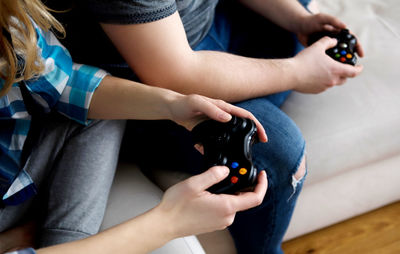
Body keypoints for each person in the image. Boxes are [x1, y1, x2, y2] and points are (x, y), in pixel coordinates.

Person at [46, 0, 365, 253]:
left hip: (208, 26)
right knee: (281, 155)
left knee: (308, 25)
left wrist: (298, 19)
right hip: (143, 77)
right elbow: (174, 74)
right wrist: (297, 72)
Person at [0, 0, 269, 253]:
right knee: (281, 154)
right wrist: (169, 222)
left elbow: (58, 80)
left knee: (106, 110)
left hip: (13, 173)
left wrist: (173, 105)